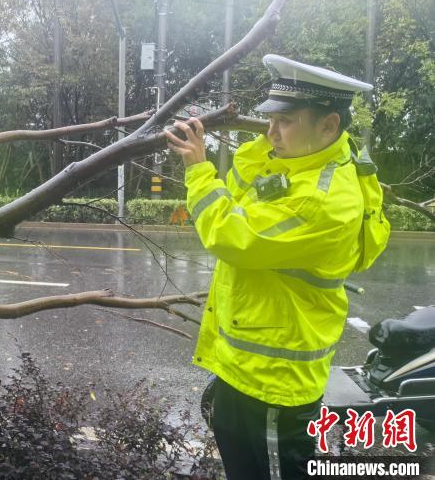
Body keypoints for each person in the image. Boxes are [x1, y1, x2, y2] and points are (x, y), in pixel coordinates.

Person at [165, 55, 390, 480]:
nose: (270, 132)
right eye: (270, 120)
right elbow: (241, 188)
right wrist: (274, 139)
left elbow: (232, 236)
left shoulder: (322, 200)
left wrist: (198, 169)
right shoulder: (310, 161)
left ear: (329, 125)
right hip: (246, 373)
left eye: (284, 121)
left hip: (275, 390)